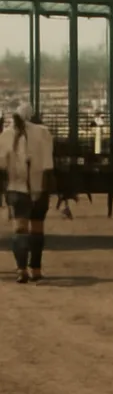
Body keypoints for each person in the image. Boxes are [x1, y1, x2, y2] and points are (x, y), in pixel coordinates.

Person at [0, 103, 55, 282]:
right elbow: (48, 166)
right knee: (37, 229)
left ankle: (21, 270)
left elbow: (1, 165)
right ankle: (36, 269)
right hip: (39, 188)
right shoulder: (44, 133)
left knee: (19, 229)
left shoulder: (6, 135)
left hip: (16, 188)